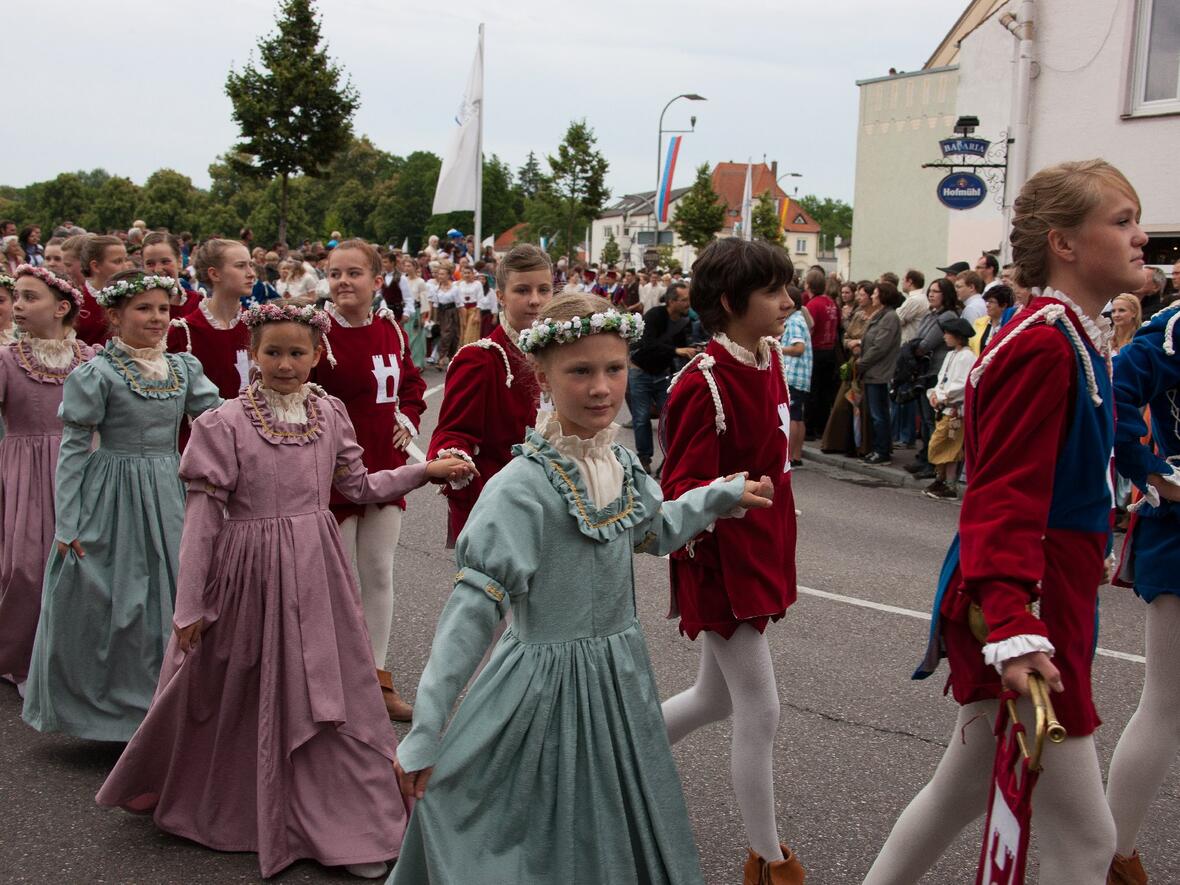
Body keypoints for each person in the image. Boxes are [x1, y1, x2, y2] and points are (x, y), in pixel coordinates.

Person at [390, 291, 773, 884]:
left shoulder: (618, 464)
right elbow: (470, 616)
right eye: (580, 372)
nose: (601, 387)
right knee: (524, 827)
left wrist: (715, 496)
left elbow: (657, 529)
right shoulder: (521, 488)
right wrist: (425, 729)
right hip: (539, 688)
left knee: (611, 823)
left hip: (619, 678)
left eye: (614, 369)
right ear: (541, 377)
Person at [96, 303, 473, 880]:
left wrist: (423, 471)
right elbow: (201, 523)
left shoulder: (330, 413)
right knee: (245, 682)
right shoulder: (222, 424)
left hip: (316, 566)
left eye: (298, 352)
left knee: (328, 691)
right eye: (272, 352)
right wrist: (190, 604)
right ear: (253, 354)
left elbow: (359, 484)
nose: (285, 363)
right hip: (247, 571)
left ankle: (341, 810)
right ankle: (241, 800)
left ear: (318, 356)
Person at [866, 158, 1146, 885]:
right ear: (1066, 242)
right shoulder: (1046, 343)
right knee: (1087, 841)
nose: (1142, 235)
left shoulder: (1071, 335)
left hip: (1042, 593)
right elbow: (1002, 496)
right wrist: (1013, 620)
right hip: (1028, 599)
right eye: (1122, 221)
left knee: (959, 791)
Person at [22, 271, 222, 740]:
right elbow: (73, 449)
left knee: (172, 596)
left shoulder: (183, 368)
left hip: (169, 490)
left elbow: (217, 419)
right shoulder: (98, 373)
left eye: (163, 310)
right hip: (111, 493)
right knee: (118, 604)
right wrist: (67, 522)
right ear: (114, 316)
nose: (157, 319)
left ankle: (163, 710)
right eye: (144, 309)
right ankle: (114, 717)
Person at [659, 238, 804, 884]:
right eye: (774, 290)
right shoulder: (702, 383)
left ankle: (611, 762)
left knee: (711, 697)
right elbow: (677, 493)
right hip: (720, 565)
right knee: (759, 707)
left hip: (759, 555)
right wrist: (723, 495)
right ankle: (767, 860)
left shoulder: (767, 357)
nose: (788, 302)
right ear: (728, 302)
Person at [315, 240, 426, 722]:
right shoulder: (317, 332)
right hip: (332, 475)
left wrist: (409, 418)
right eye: (335, 273)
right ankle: (329, 680)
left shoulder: (390, 328)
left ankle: (376, 678)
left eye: (354, 273)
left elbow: (412, 386)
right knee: (334, 583)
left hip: (384, 467)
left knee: (378, 574)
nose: (343, 282)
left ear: (376, 281)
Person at [1104, 285, 1180, 882]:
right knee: (1166, 702)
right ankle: (1113, 854)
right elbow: (1116, 389)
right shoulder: (1172, 330)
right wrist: (1158, 474)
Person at [0, 266, 92, 692]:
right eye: (16, 297)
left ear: (61, 308)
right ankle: (18, 657)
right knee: (25, 566)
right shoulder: (7, 360)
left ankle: (65, 657)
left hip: (81, 466)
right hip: (25, 468)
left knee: (79, 564)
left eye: (29, 297)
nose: (18, 305)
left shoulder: (88, 359)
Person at [427, 244, 553, 546]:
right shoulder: (481, 359)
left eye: (544, 289)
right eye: (522, 290)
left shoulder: (561, 354)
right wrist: (454, 457)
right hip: (497, 510)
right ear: (500, 296)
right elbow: (452, 432)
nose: (535, 300)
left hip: (553, 509)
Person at [167, 240, 254, 450]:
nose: (251, 273)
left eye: (250, 265)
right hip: (200, 445)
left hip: (252, 442)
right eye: (241, 266)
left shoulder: (256, 326)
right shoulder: (183, 332)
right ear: (215, 274)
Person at [629, 280, 695, 474]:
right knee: (641, 418)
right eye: (684, 300)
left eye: (688, 300)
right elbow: (648, 344)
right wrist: (677, 350)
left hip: (662, 376)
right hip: (640, 372)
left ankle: (670, 460)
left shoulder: (684, 321)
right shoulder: (654, 315)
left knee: (670, 419)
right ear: (671, 301)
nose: (687, 304)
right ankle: (644, 458)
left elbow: (682, 350)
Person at [904, 279, 963, 481]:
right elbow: (917, 339)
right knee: (925, 420)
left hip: (935, 372)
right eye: (930, 291)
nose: (931, 294)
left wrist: (917, 347)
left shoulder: (947, 316)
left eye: (936, 292)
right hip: (924, 371)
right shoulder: (931, 314)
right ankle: (925, 457)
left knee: (930, 420)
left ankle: (932, 462)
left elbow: (926, 343)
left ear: (945, 294)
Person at [922, 316, 976, 500]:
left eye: (948, 333)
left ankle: (950, 484)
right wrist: (935, 394)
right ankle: (941, 479)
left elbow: (961, 385)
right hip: (943, 408)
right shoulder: (951, 354)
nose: (944, 336)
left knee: (949, 447)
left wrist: (944, 397)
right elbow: (941, 379)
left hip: (954, 412)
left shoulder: (967, 356)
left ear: (958, 336)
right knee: (942, 444)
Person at [820, 281, 876, 456]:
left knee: (862, 407)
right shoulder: (859, 315)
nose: (859, 297)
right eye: (858, 294)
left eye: (862, 294)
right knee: (843, 404)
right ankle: (839, 443)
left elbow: (875, 342)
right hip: (852, 362)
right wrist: (851, 343)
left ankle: (862, 446)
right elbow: (846, 335)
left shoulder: (877, 317)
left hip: (865, 364)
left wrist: (859, 343)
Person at [858, 281, 903, 465]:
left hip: (880, 372)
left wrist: (862, 362)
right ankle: (878, 448)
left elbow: (880, 346)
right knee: (876, 413)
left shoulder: (890, 317)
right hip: (873, 371)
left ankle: (882, 451)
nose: (873, 296)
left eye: (875, 293)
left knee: (879, 414)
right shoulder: (881, 315)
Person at [803, 267, 839, 440]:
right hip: (829, 351)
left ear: (809, 285)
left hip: (816, 351)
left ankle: (809, 429)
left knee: (813, 391)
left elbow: (808, 329)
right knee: (825, 392)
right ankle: (822, 426)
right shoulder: (831, 302)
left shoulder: (813, 305)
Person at [76, 234, 131, 345]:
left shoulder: (131, 297)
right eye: (117, 261)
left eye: (125, 260)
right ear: (95, 266)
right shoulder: (78, 301)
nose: (126, 267)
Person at [781, 286, 812, 468]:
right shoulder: (800, 318)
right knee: (798, 417)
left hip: (793, 374)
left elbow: (798, 348)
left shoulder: (793, 321)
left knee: (792, 417)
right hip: (802, 376)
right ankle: (797, 455)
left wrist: (776, 347)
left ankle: (790, 456)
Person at [142, 232, 201, 319]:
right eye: (150, 263)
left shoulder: (197, 303)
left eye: (165, 261)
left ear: (179, 261)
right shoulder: (136, 304)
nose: (158, 270)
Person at [427, 262, 460, 370]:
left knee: (453, 336)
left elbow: (460, 304)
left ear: (448, 275)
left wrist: (462, 320)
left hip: (452, 313)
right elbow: (435, 304)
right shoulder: (435, 288)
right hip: (442, 313)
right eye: (439, 274)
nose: (440, 276)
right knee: (444, 336)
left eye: (442, 274)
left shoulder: (455, 288)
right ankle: (441, 358)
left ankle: (451, 358)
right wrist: (434, 319)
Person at [970, 283, 1014, 355]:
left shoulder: (1010, 325)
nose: (987, 305)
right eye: (987, 301)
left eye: (991, 302)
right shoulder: (979, 322)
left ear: (1003, 305)